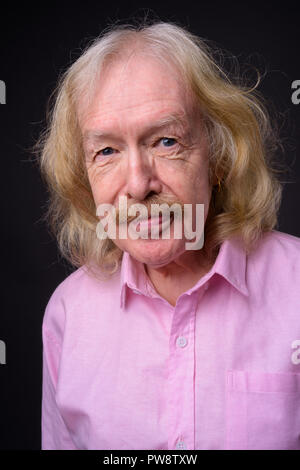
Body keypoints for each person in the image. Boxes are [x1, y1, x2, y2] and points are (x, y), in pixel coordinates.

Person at [38, 20, 300, 450]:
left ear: (218, 155)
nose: (139, 185)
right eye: (106, 151)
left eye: (165, 141)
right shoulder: (68, 316)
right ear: (84, 179)